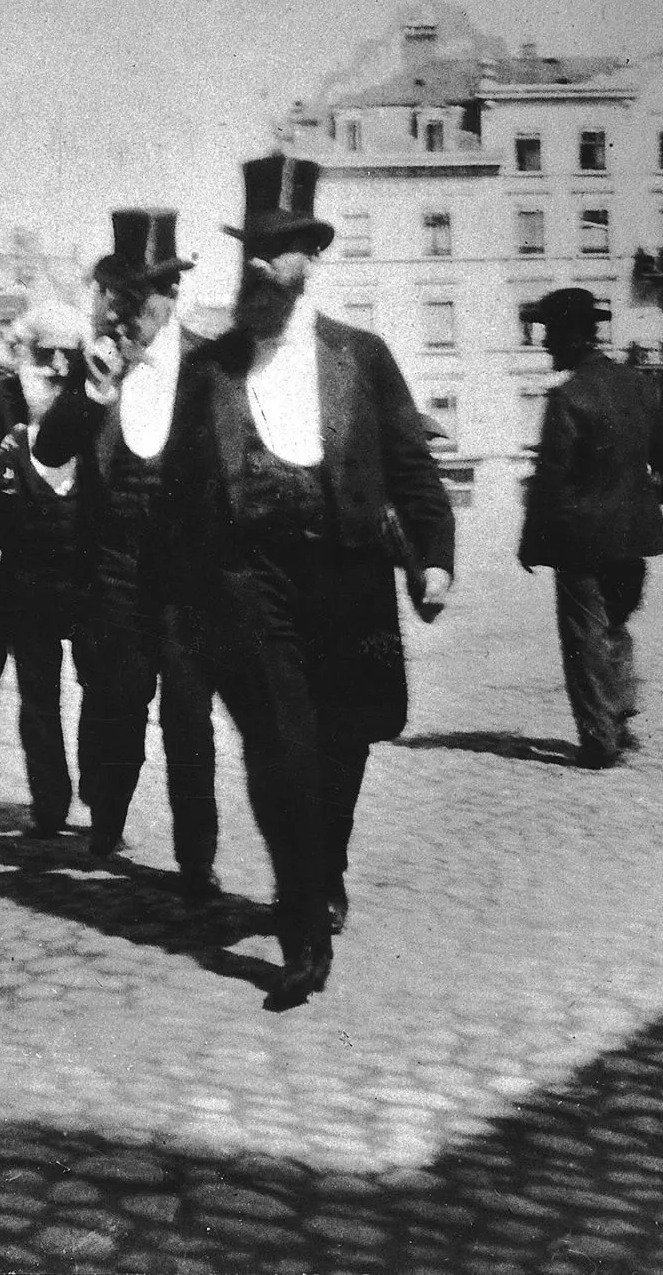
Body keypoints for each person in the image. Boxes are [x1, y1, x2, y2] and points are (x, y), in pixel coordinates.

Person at [162, 153, 455, 1009]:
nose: (261, 263)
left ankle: (325, 867)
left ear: (309, 258)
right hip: (253, 584)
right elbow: (180, 502)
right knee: (282, 749)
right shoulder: (208, 370)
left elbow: (411, 466)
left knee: (343, 746)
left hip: (349, 577)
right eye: (252, 247)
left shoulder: (361, 357)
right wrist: (178, 611)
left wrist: (433, 557)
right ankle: (300, 931)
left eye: (280, 248)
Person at [33, 209, 220, 898]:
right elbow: (50, 451)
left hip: (187, 575)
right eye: (118, 295)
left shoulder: (209, 365)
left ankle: (196, 855)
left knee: (189, 716)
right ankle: (106, 818)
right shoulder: (94, 366)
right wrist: (90, 391)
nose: (126, 311)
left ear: (170, 298)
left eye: (141, 297)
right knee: (114, 705)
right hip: (112, 571)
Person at [518, 286, 663, 769]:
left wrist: (531, 541)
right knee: (617, 628)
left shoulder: (568, 396)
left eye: (549, 334)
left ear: (570, 335)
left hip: (582, 540)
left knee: (584, 637)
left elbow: (551, 479)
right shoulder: (642, 387)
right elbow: (658, 460)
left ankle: (600, 740)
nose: (544, 345)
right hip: (635, 534)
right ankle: (621, 721)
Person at [0, 300, 94, 837]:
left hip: (88, 573)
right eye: (47, 354)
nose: (58, 367)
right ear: (27, 352)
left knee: (101, 684)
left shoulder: (91, 400)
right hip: (22, 573)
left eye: (68, 355)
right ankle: (49, 801)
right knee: (38, 693)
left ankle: (100, 790)